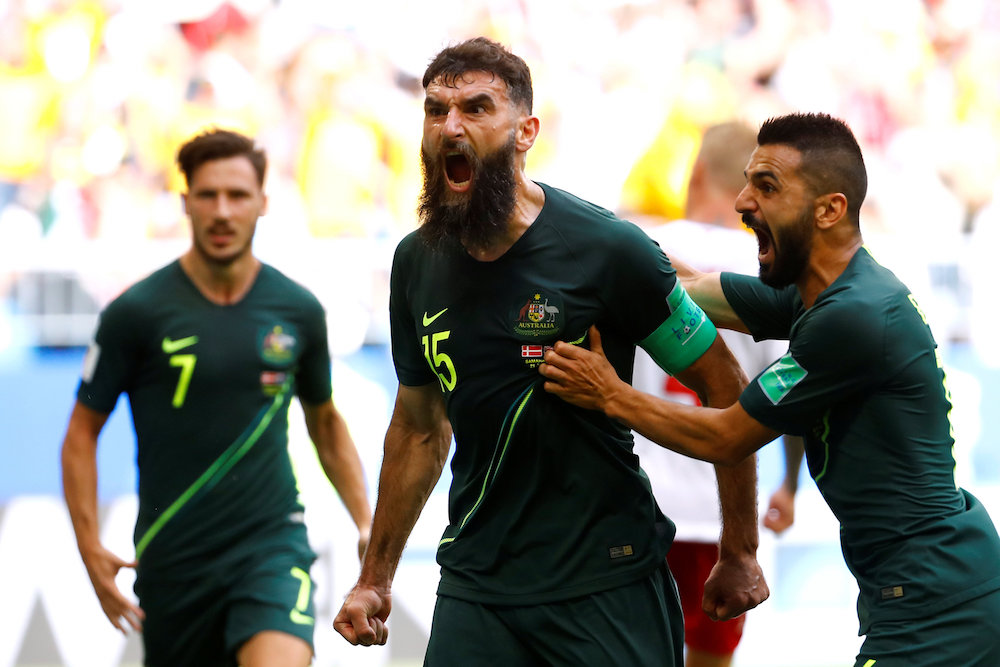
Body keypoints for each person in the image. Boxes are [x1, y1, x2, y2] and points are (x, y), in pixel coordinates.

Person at [331, 37, 767, 666]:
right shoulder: (415, 263)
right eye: (435, 110)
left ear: (526, 131)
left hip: (604, 580)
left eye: (476, 108)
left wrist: (740, 549)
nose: (450, 126)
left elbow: (724, 385)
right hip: (478, 582)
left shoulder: (607, 250)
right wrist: (376, 577)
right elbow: (420, 430)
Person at [539, 112, 1000, 666]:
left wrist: (611, 395)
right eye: (745, 181)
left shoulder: (852, 317)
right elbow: (684, 288)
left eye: (766, 186)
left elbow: (729, 435)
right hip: (929, 592)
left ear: (829, 209)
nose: (740, 202)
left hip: (938, 606)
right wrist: (575, 225)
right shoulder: (820, 296)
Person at [60, 128, 373, 666]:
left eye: (238, 195)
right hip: (173, 559)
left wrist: (367, 525)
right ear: (185, 202)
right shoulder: (135, 313)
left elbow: (326, 424)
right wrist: (89, 548)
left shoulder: (296, 309)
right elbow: (80, 436)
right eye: (208, 195)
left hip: (272, 548)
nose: (223, 211)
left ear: (263, 203)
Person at [626, 120, 805, 667]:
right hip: (721, 511)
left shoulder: (639, 249)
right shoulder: (769, 268)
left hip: (636, 501)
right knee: (709, 657)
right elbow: (792, 393)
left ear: (697, 172)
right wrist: (790, 487)